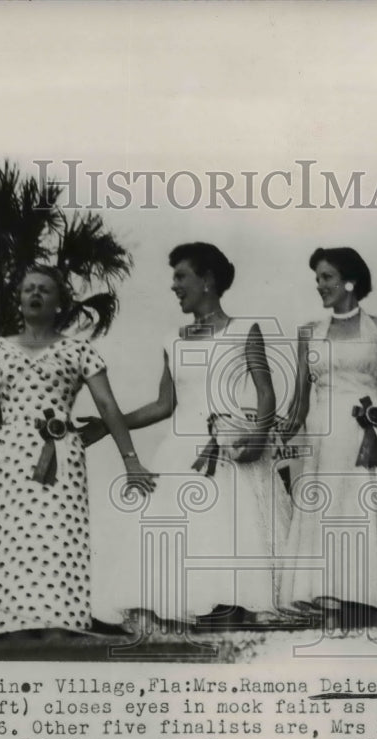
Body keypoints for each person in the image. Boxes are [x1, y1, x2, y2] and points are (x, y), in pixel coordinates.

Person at [0, 266, 155, 639]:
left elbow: (108, 406)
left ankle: (60, 625)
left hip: (63, 456)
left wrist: (131, 460)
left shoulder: (79, 349)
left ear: (60, 303)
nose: (35, 295)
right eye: (28, 289)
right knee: (14, 542)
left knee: (61, 539)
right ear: (20, 299)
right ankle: (15, 627)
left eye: (44, 290)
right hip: (11, 457)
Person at [82, 243, 290, 629]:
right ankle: (183, 614)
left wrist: (258, 439)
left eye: (181, 276)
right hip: (181, 450)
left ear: (207, 280)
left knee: (230, 530)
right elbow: (163, 405)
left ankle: (233, 610)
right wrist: (108, 425)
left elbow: (265, 392)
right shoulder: (172, 340)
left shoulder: (246, 330)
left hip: (231, 451)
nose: (174, 286)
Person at [278, 247, 377, 629]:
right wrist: (272, 433)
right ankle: (329, 598)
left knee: (369, 511)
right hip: (324, 441)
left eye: (326, 277)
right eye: (317, 279)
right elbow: (297, 404)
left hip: (367, 434)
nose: (319, 286)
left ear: (350, 281)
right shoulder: (308, 333)